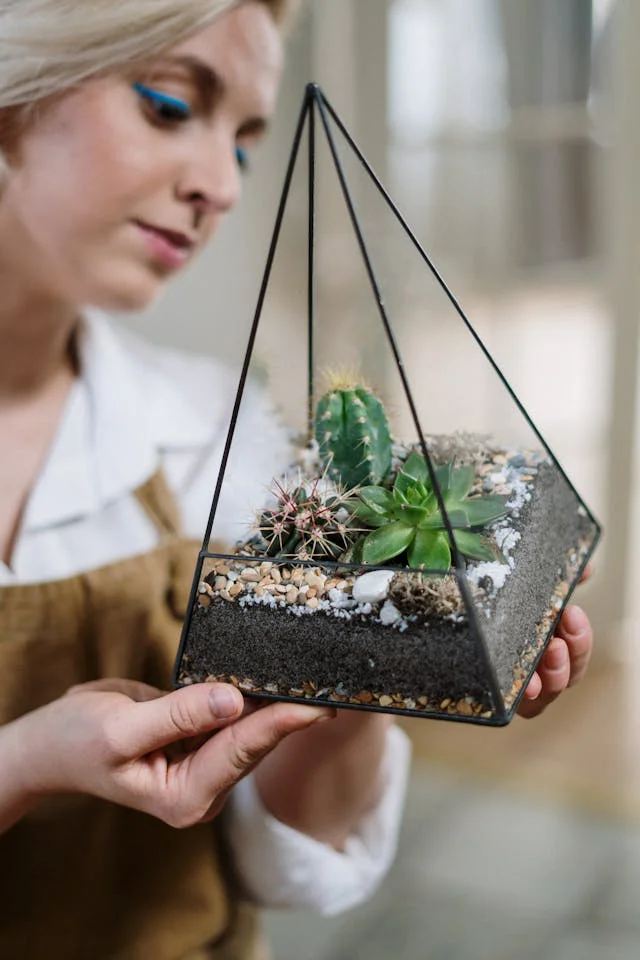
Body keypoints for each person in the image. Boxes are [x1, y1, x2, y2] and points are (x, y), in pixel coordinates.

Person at [0, 0, 595, 956]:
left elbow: (285, 862)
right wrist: (26, 761)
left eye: (242, 143)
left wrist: (359, 676)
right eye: (166, 104)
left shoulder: (212, 429)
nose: (221, 186)